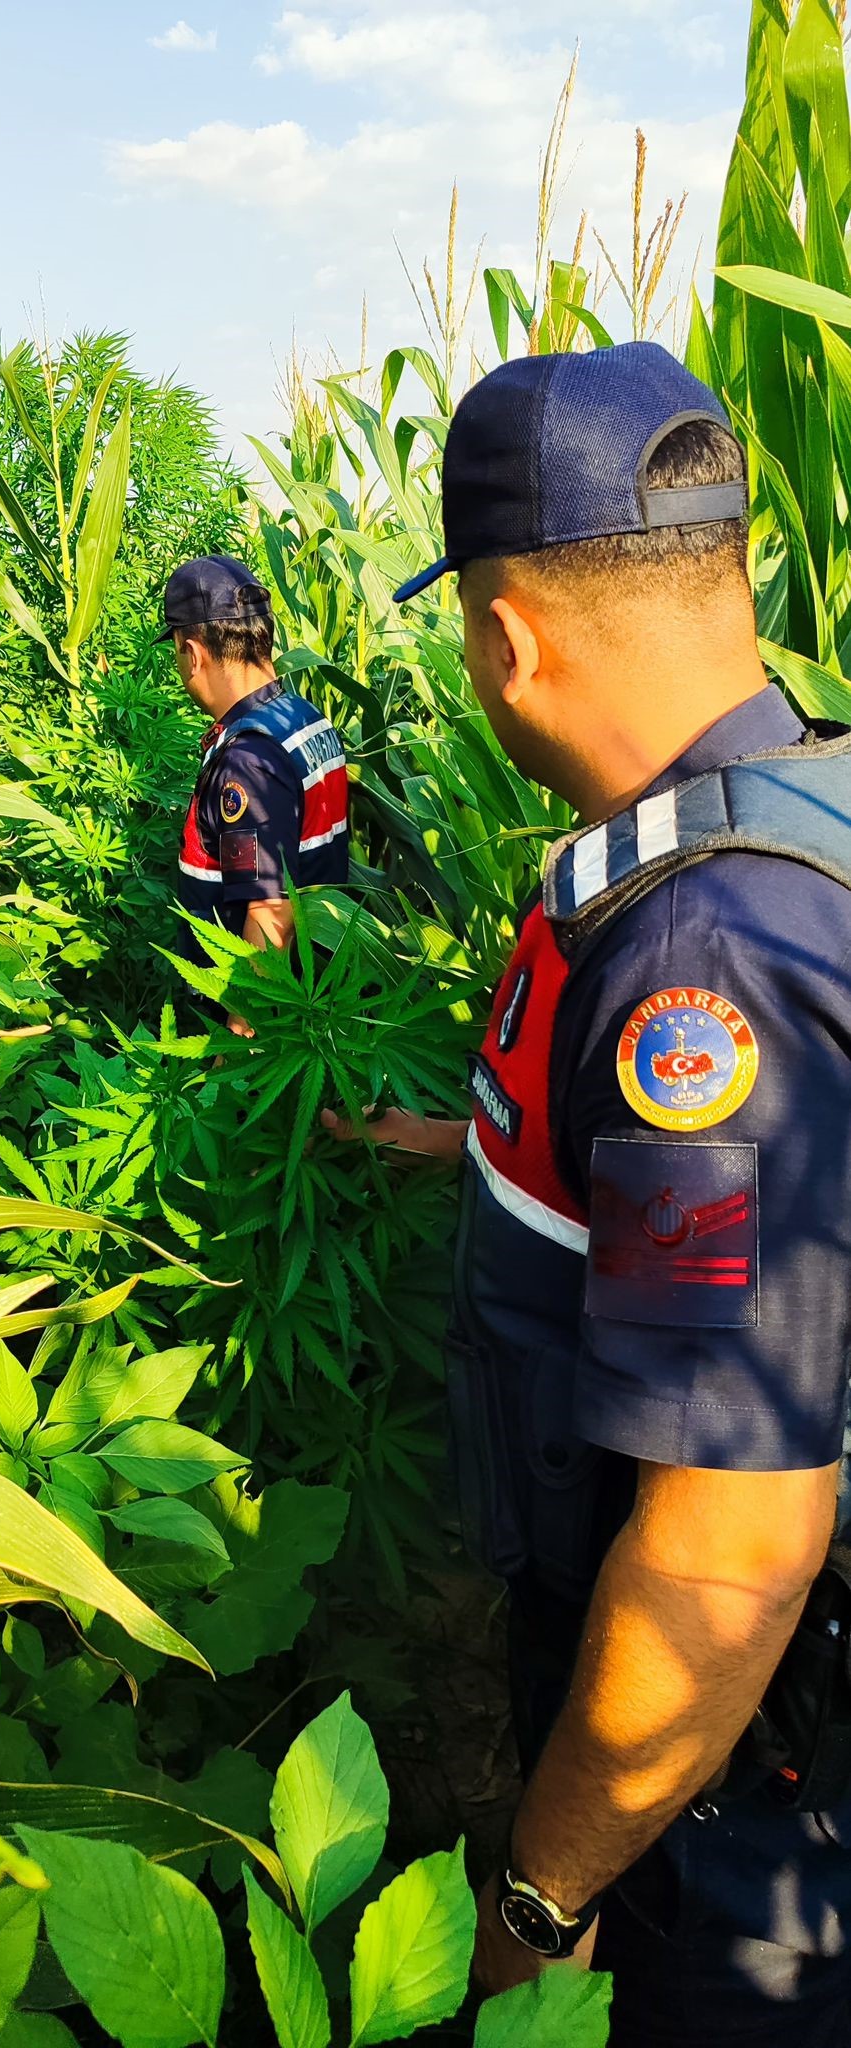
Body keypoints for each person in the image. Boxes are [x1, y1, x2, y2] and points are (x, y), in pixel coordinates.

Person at [324, 343, 851, 2043]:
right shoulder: (759, 803)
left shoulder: (703, 961)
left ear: (506, 636)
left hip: (721, 1818)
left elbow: (721, 1552)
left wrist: (538, 1904)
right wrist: (470, 1140)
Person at [160, 555, 348, 1029]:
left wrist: (240, 1035)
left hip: (255, 1006)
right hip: (311, 989)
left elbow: (269, 914)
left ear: (194, 652)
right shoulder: (303, 717)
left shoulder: (250, 759)